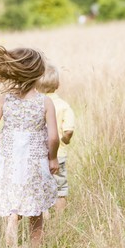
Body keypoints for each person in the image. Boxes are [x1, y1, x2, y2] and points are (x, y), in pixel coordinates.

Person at [0, 46, 59, 248]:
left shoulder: (5, 99)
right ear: (38, 73)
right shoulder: (45, 102)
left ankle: (11, 236)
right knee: (35, 209)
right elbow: (54, 137)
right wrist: (53, 158)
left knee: (14, 204)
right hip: (35, 160)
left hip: (10, 160)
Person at [36, 64, 75, 217]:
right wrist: (65, 140)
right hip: (59, 155)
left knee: (41, 187)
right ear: (57, 85)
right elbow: (69, 130)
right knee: (60, 189)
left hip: (39, 154)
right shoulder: (64, 106)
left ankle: (44, 216)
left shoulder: (37, 104)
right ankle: (60, 219)